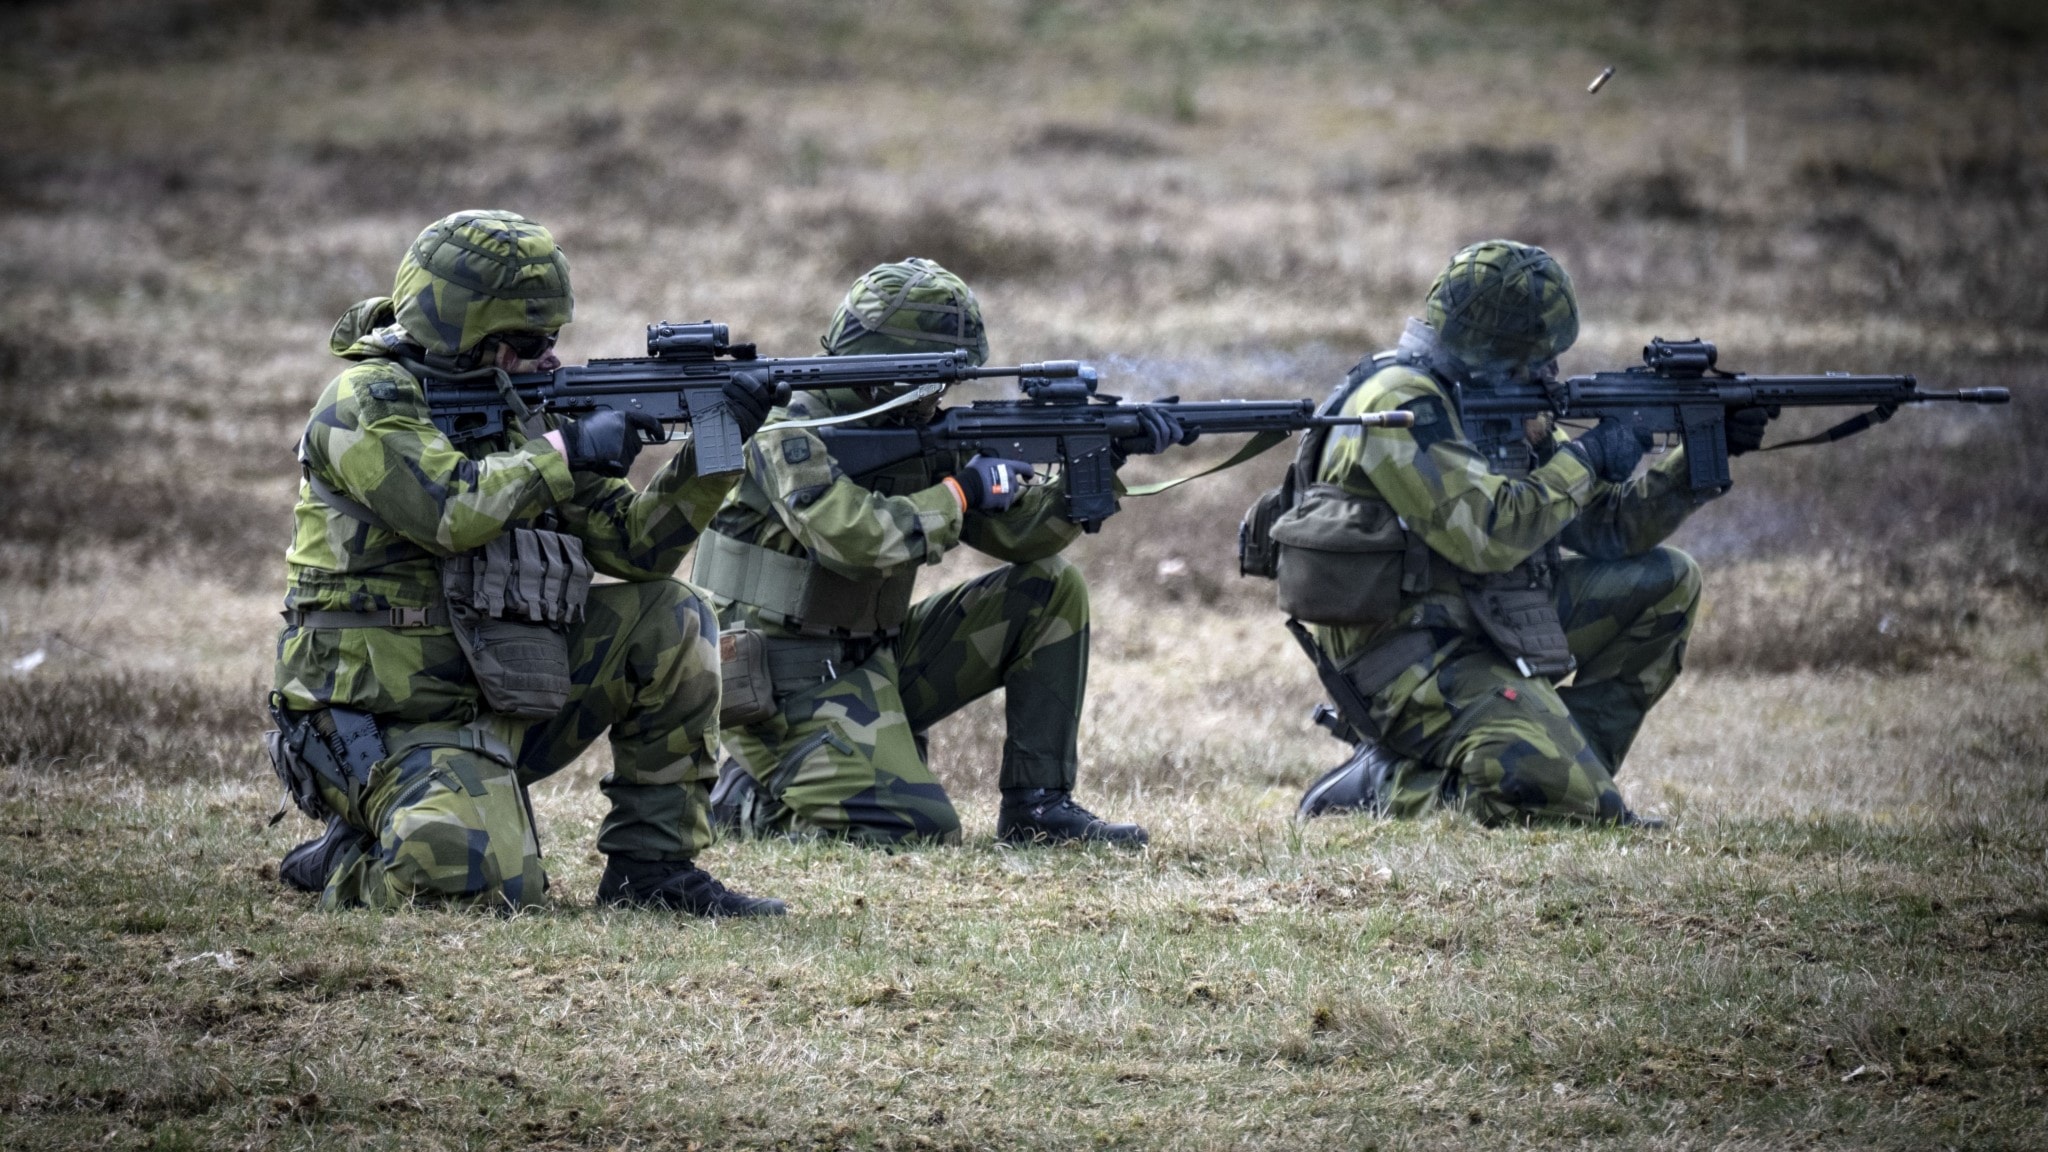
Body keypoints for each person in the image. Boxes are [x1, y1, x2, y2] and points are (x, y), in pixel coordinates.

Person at [267, 209, 785, 915]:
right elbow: (447, 511)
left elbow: (635, 546)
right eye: (528, 340)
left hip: (506, 692)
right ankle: (351, 857)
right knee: (488, 886)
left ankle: (654, 871)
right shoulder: (364, 402)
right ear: (462, 330)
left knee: (671, 616)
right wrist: (569, 452)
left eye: (553, 339)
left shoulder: (520, 409)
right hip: (383, 719)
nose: (549, 356)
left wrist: (716, 446)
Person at [699, 258, 1185, 845]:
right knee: (917, 828)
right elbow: (852, 539)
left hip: (870, 658)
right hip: (778, 681)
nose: (941, 396)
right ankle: (748, 801)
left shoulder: (908, 423)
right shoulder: (785, 428)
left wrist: (1100, 464)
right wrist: (963, 490)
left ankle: (1040, 807)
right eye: (934, 380)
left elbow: (1019, 539)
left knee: (1049, 589)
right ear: (889, 372)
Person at [1289, 239, 1774, 826]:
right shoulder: (1400, 405)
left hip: (1486, 620)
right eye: (1539, 355)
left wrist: (1700, 455)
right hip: (1406, 654)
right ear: (1495, 350)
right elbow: (1487, 533)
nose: (1551, 370)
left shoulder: (1495, 398)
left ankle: (1568, 774)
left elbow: (1610, 528)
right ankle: (1392, 782)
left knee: (1667, 583)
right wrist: (1591, 456)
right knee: (1577, 805)